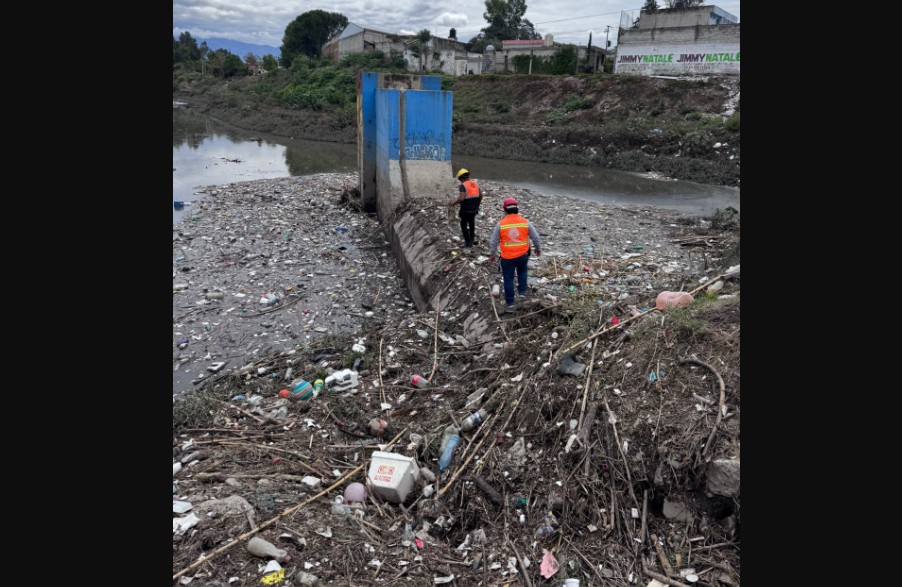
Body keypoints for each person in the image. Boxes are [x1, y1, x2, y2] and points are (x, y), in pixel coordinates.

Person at [488, 197, 542, 312]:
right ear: (517, 209)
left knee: (508, 278)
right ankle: (522, 293)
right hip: (523, 255)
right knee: (522, 272)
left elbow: (493, 241)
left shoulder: (500, 224)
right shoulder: (525, 222)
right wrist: (538, 249)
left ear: (504, 210)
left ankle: (510, 303)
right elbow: (536, 237)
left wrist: (491, 255)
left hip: (507, 257)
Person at [449, 168, 482, 247]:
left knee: (463, 225)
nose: (460, 181)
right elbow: (480, 195)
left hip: (465, 210)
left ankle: (468, 243)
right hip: (474, 209)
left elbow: (461, 198)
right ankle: (472, 240)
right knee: (471, 223)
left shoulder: (463, 186)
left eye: (459, 179)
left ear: (461, 178)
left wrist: (454, 203)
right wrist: (477, 205)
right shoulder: (475, 183)